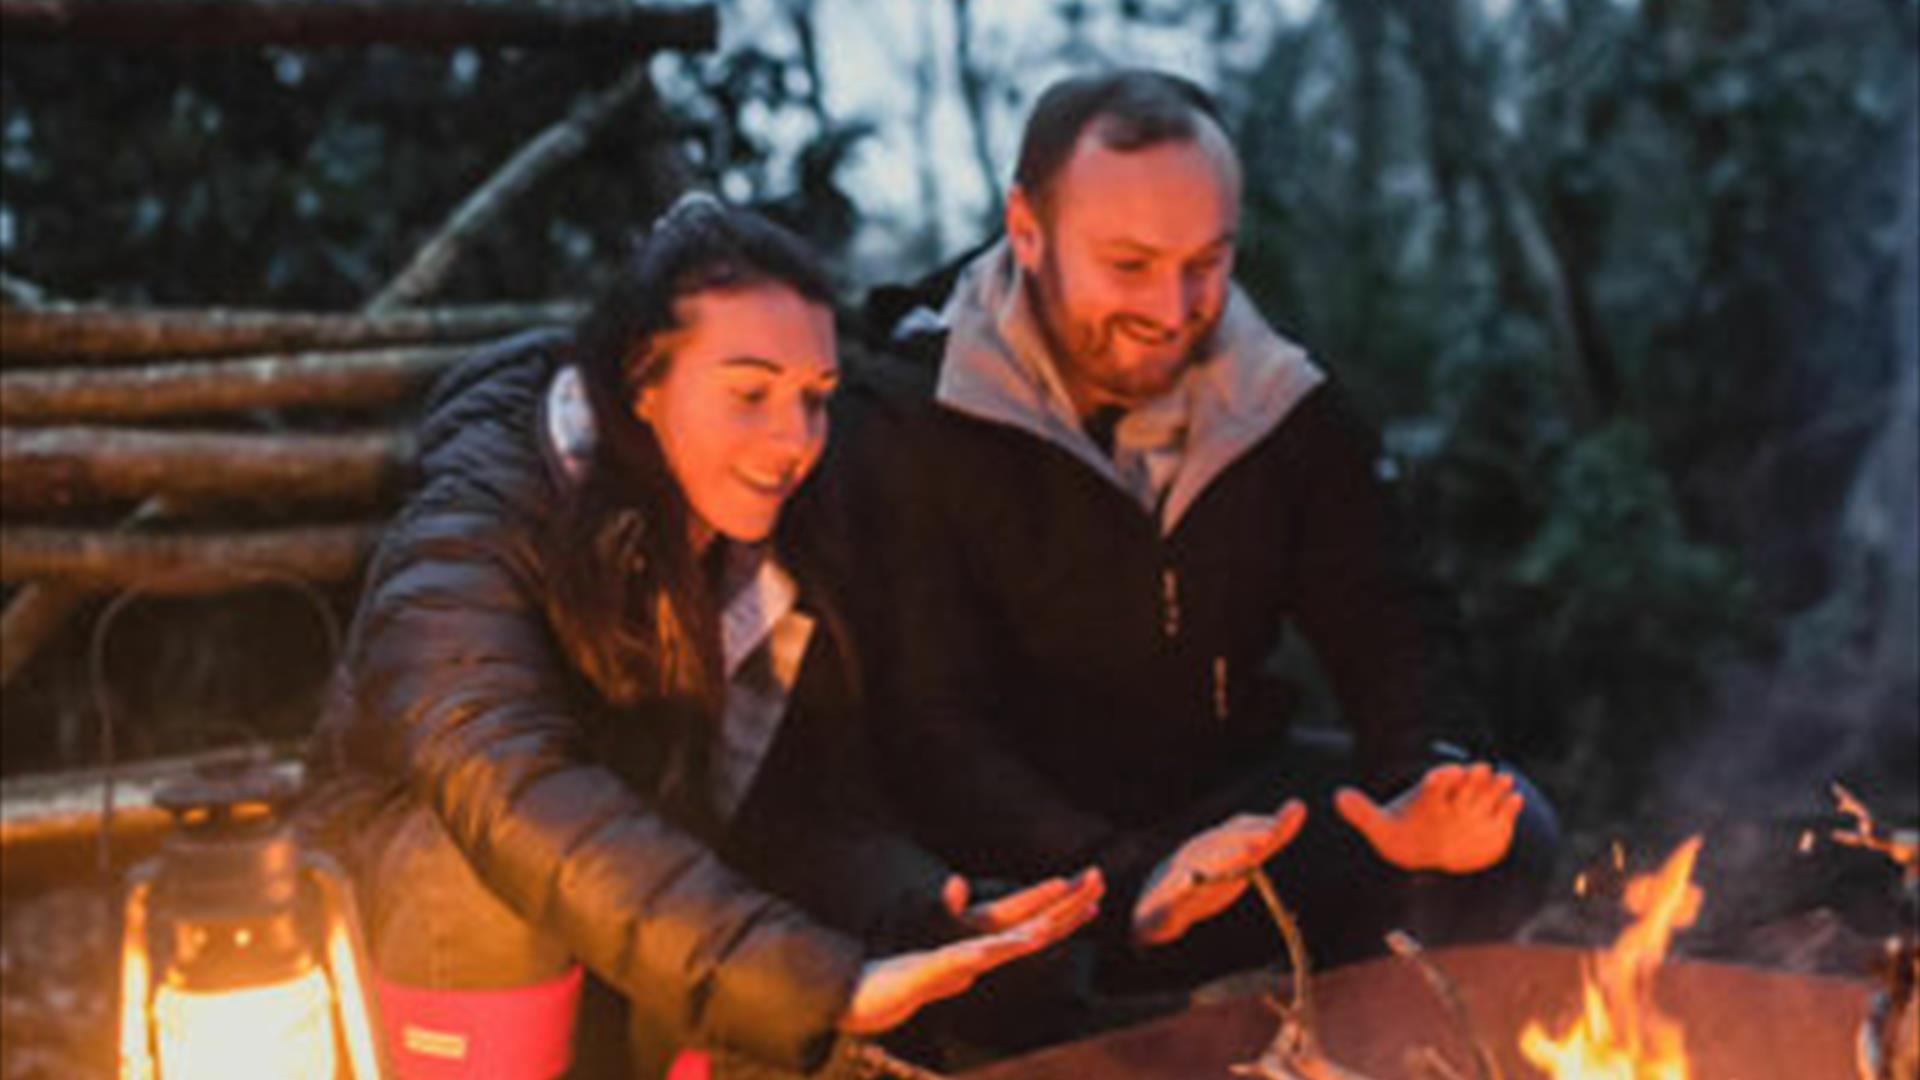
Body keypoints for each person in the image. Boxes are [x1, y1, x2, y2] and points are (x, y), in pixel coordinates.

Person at [299, 195, 1103, 1080]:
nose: (794, 439)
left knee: (832, 1009)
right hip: (407, 936)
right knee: (467, 871)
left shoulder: (772, 553)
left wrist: (919, 915)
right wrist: (810, 983)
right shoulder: (482, 513)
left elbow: (797, 814)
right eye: (751, 392)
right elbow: (507, 784)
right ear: (643, 380)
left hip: (644, 920)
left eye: (816, 399)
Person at [842, 68, 1558, 1014]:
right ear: (1027, 231)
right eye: (1129, 265)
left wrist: (1421, 781)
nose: (1174, 307)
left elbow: (1389, 619)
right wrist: (1127, 872)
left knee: (1511, 834)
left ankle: (1370, 1058)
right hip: (1028, 864)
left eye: (1206, 262)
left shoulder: (1280, 403)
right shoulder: (907, 419)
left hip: (1226, 826)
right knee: (979, 945)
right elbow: (931, 729)